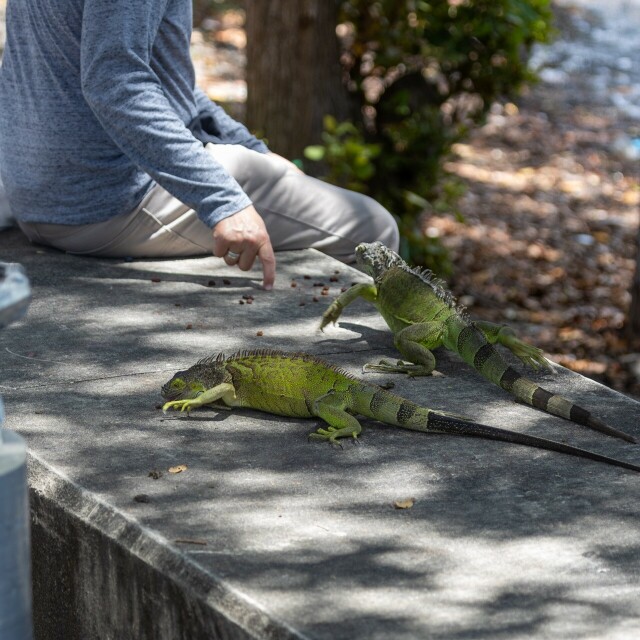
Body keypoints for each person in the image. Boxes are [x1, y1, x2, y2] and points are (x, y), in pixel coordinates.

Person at [0, 0, 399, 290]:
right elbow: (114, 83)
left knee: (276, 175)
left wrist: (255, 150)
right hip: (101, 204)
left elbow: (172, 91)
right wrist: (225, 202)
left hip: (33, 193)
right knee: (373, 230)